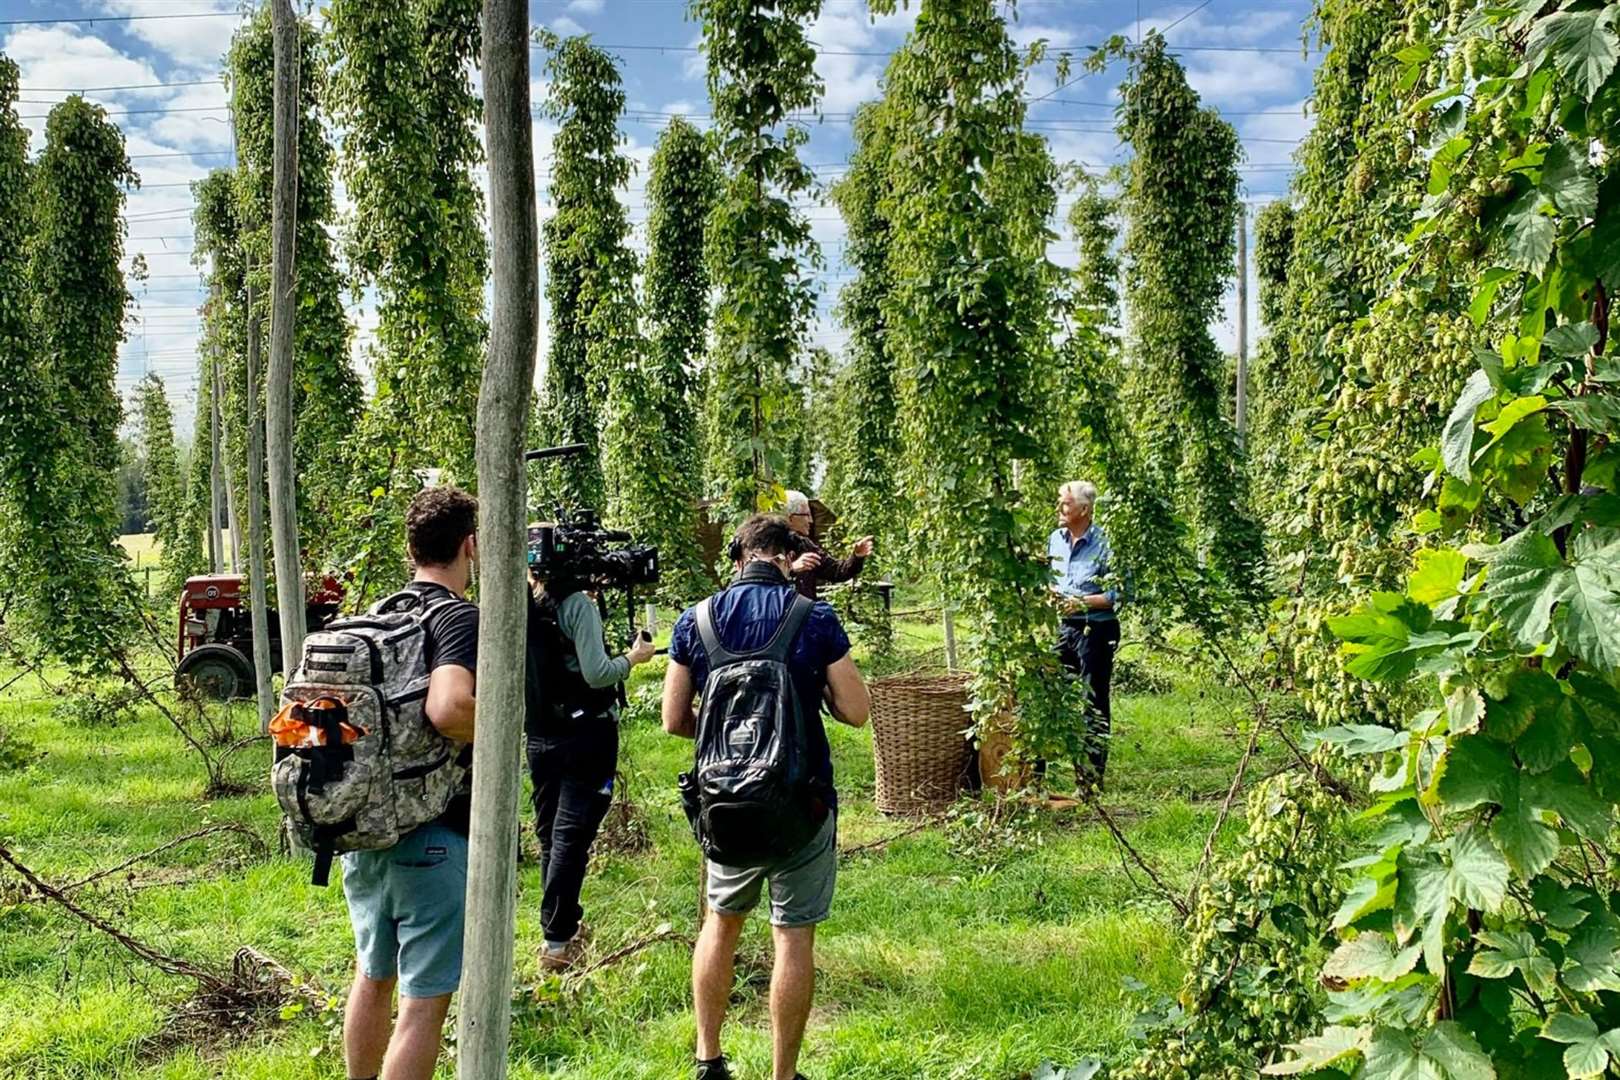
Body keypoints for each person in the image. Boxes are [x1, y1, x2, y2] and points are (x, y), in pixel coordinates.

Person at [661, 514, 871, 1080]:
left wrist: (733, 734)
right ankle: (782, 1074)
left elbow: (674, 719)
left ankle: (708, 1059)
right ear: (786, 557)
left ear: (739, 558)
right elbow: (856, 710)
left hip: (725, 808)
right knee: (793, 936)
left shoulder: (695, 620)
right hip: (802, 806)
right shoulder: (814, 616)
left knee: (721, 923)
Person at [342, 486, 479, 1080]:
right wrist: (503, 724)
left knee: (372, 979)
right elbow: (448, 709)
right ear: (470, 545)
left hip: (363, 828)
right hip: (433, 835)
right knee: (423, 1007)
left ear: (411, 548)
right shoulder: (457, 617)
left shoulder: (382, 612)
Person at [524, 566, 656, 972]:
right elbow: (597, 674)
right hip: (586, 736)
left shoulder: (525, 603)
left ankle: (555, 933)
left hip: (540, 733)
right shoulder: (576, 605)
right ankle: (558, 942)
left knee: (550, 835)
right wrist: (633, 658)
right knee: (570, 838)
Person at [1048, 480, 1121, 792]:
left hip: (1097, 628)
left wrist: (1078, 602)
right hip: (1066, 628)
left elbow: (1118, 593)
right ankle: (1036, 778)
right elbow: (1049, 579)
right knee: (1048, 689)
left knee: (1092, 701)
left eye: (1065, 504)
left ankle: (1090, 779)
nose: (1059, 509)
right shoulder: (1055, 540)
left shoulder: (1106, 543)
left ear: (1084, 509)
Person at [782, 489, 874, 602]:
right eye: (807, 515)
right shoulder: (767, 544)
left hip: (803, 615)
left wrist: (857, 556)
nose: (811, 520)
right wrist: (791, 568)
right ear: (791, 518)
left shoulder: (806, 546)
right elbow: (759, 575)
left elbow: (837, 571)